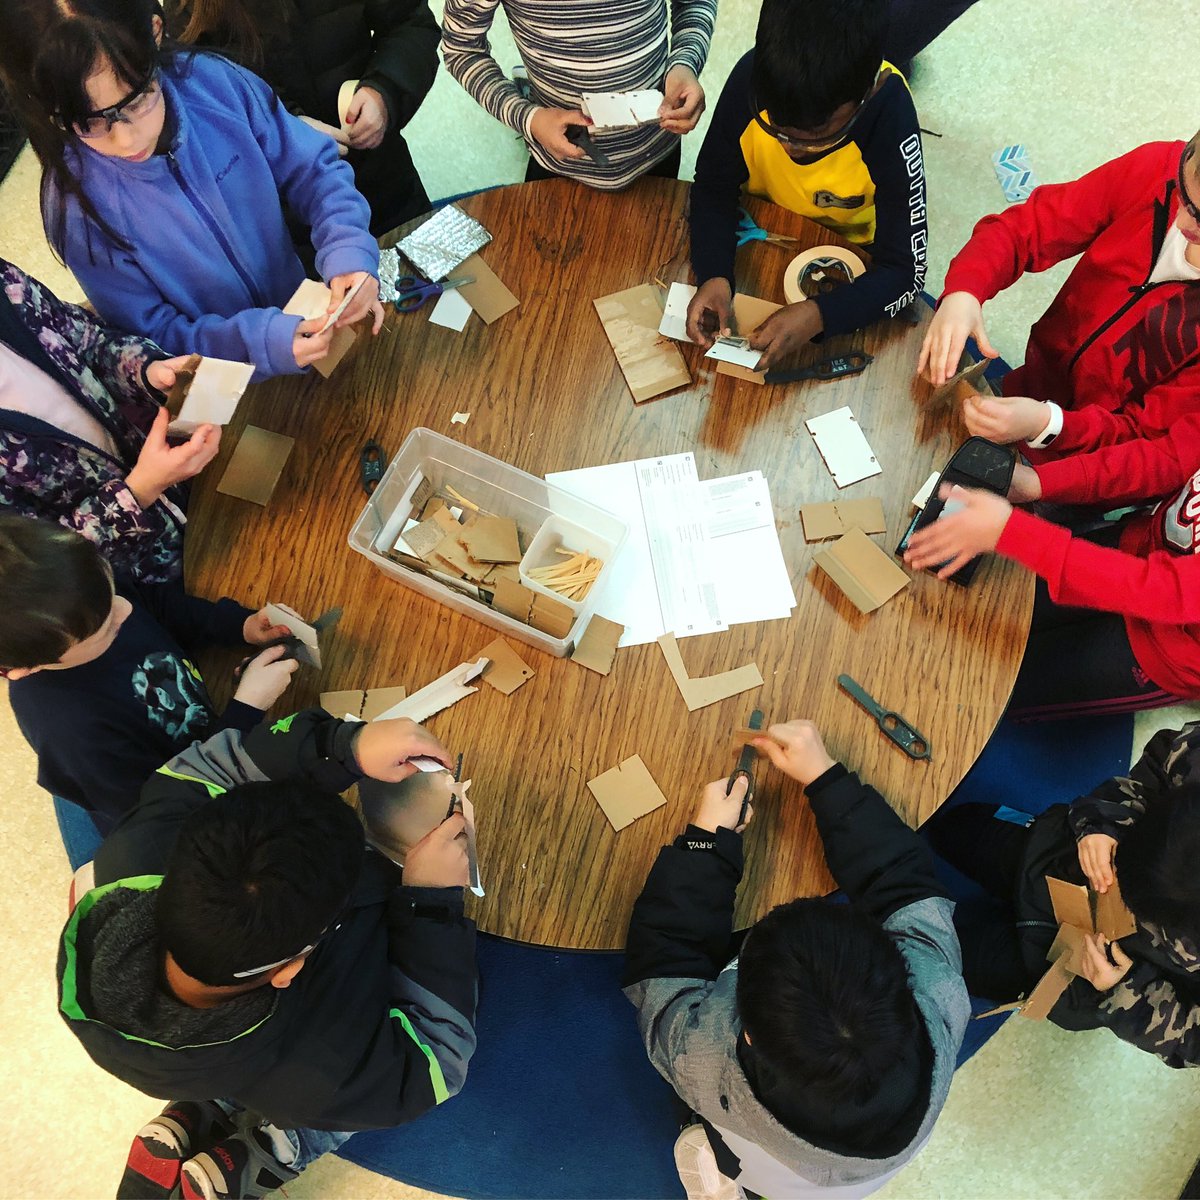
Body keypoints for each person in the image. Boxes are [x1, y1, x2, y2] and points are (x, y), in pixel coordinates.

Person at [60, 708, 477, 1199]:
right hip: (302, 1085)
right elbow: (436, 1062)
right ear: (290, 969)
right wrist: (430, 903)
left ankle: (208, 1100)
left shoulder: (137, 856)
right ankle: (284, 1139)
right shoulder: (329, 1071)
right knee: (314, 1106)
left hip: (235, 1059)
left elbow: (200, 772)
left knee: (246, 1076)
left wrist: (342, 748)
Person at [624, 719, 968, 1199]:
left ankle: (728, 1181)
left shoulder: (701, 1059)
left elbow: (662, 969)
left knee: (719, 1148)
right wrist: (825, 780)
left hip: (754, 1151)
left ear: (743, 1031)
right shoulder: (941, 993)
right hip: (857, 1174)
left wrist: (705, 843)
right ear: (899, 972)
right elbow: (905, 887)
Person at [0, 0, 383, 380]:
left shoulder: (215, 86)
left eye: (136, 99)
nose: (127, 139)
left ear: (154, 32)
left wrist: (347, 247)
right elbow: (154, 336)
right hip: (224, 386)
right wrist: (260, 342)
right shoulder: (77, 209)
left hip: (311, 323)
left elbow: (314, 170)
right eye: (88, 122)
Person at [924, 720, 1200, 1068]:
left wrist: (1126, 992)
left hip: (1078, 973)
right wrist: (1105, 823)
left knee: (942, 957)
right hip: (1054, 854)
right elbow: (1161, 760)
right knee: (956, 828)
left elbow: (1191, 1042)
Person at [0, 515, 298, 829]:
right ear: (22, 670)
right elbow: (173, 811)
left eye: (115, 593)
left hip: (208, 742)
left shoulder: (90, 594)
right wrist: (245, 712)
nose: (126, 611)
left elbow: (154, 604)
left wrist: (240, 626)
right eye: (109, 628)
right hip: (193, 809)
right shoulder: (79, 742)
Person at [918, 133, 1200, 463]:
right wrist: (964, 290)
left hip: (1087, 464)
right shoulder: (1156, 167)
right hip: (1032, 382)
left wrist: (1049, 425)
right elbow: (1029, 227)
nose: (1180, 221)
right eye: (1182, 193)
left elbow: (1152, 447)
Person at [685, 0, 927, 373]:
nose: (788, 148)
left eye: (814, 137)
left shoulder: (889, 110)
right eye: (775, 127)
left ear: (870, 91)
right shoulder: (753, 78)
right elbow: (714, 185)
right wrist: (714, 271)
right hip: (758, 237)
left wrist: (820, 315)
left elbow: (905, 272)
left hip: (851, 260)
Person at [902, 462, 1200, 717]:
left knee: (994, 691)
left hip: (1164, 653)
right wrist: (1042, 480)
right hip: (1138, 547)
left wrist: (1012, 532)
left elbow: (1161, 591)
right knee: (991, 613)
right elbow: (1163, 457)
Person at [0, 256, 216, 585]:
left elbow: (90, 341)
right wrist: (138, 492)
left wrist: (146, 371)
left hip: (186, 501)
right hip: (135, 590)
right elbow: (33, 572)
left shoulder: (6, 282)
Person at [168, 0, 438, 235]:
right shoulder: (188, 11)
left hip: (385, 178)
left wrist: (385, 91)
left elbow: (411, 23)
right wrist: (283, 133)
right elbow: (201, 105)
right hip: (293, 216)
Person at [440, 0, 715, 190]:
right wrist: (528, 118)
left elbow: (694, 3)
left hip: (655, 150)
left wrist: (685, 62)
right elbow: (461, 49)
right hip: (558, 164)